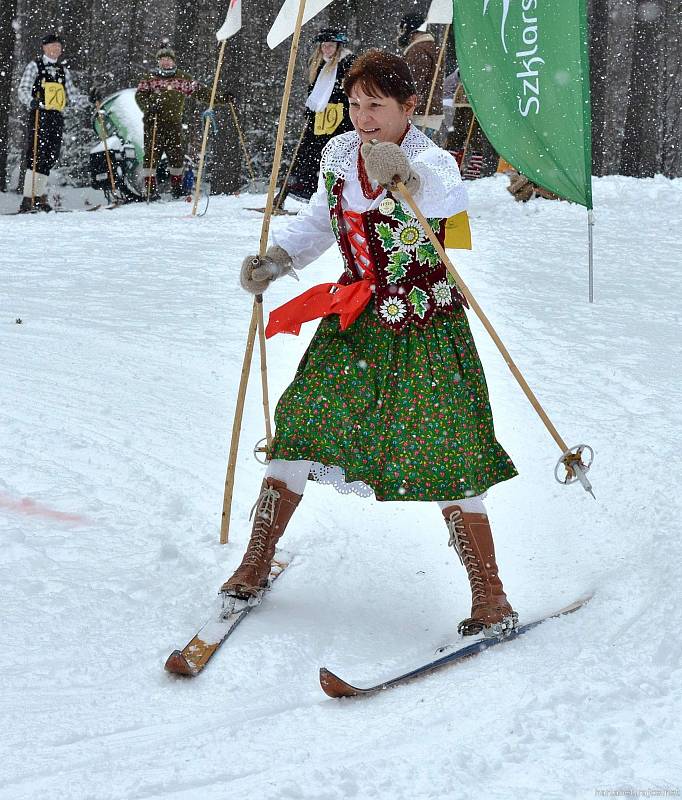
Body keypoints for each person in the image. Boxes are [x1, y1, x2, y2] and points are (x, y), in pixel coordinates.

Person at [225, 50, 519, 639]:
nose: (361, 116)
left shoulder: (430, 159)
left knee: (448, 446)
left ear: (409, 108)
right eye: (354, 104)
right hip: (356, 319)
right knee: (302, 421)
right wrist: (278, 259)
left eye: (375, 105)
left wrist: (405, 175)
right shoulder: (337, 153)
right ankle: (256, 560)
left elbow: (446, 202)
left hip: (423, 325)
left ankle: (490, 595)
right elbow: (318, 221)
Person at [135, 47, 233, 200]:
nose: (165, 63)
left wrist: (222, 99)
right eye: (162, 60)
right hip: (153, 124)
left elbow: (202, 92)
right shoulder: (150, 78)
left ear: (173, 61)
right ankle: (150, 190)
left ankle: (177, 188)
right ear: (158, 62)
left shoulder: (182, 79)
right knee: (151, 157)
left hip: (174, 124)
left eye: (168, 59)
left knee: (176, 156)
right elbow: (139, 96)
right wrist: (149, 107)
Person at [16, 34, 89, 213]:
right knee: (36, 155)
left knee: (50, 156)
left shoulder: (63, 71)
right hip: (39, 114)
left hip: (56, 117)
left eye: (59, 47)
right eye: (53, 46)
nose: (56, 50)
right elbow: (23, 89)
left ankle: (38, 196)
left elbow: (73, 97)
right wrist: (31, 101)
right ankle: (28, 199)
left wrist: (89, 99)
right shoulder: (35, 66)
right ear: (44, 48)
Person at [285, 29, 354, 201]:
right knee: (309, 155)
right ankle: (302, 192)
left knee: (333, 155)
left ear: (338, 46)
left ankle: (334, 194)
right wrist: (311, 108)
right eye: (324, 45)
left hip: (340, 119)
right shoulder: (319, 63)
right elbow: (314, 89)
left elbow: (349, 90)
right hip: (319, 118)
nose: (326, 49)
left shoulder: (348, 62)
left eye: (330, 45)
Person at [397, 12, 444, 140]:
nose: (400, 34)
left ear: (409, 30)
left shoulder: (418, 50)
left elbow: (413, 86)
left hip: (420, 116)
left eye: (402, 29)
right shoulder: (433, 47)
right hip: (428, 114)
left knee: (411, 156)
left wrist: (402, 109)